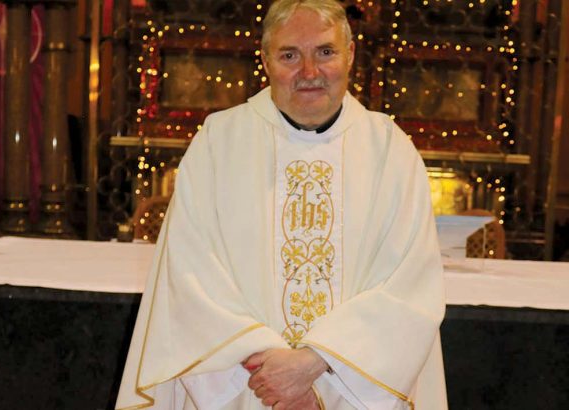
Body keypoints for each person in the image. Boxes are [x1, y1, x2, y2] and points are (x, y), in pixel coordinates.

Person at [116, 0, 446, 408]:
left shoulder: (390, 150)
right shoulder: (219, 142)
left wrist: (314, 364)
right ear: (266, 61)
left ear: (351, 55)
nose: (310, 72)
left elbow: (410, 284)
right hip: (245, 388)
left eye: (325, 52)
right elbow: (189, 275)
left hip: (351, 394)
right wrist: (272, 376)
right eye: (290, 55)